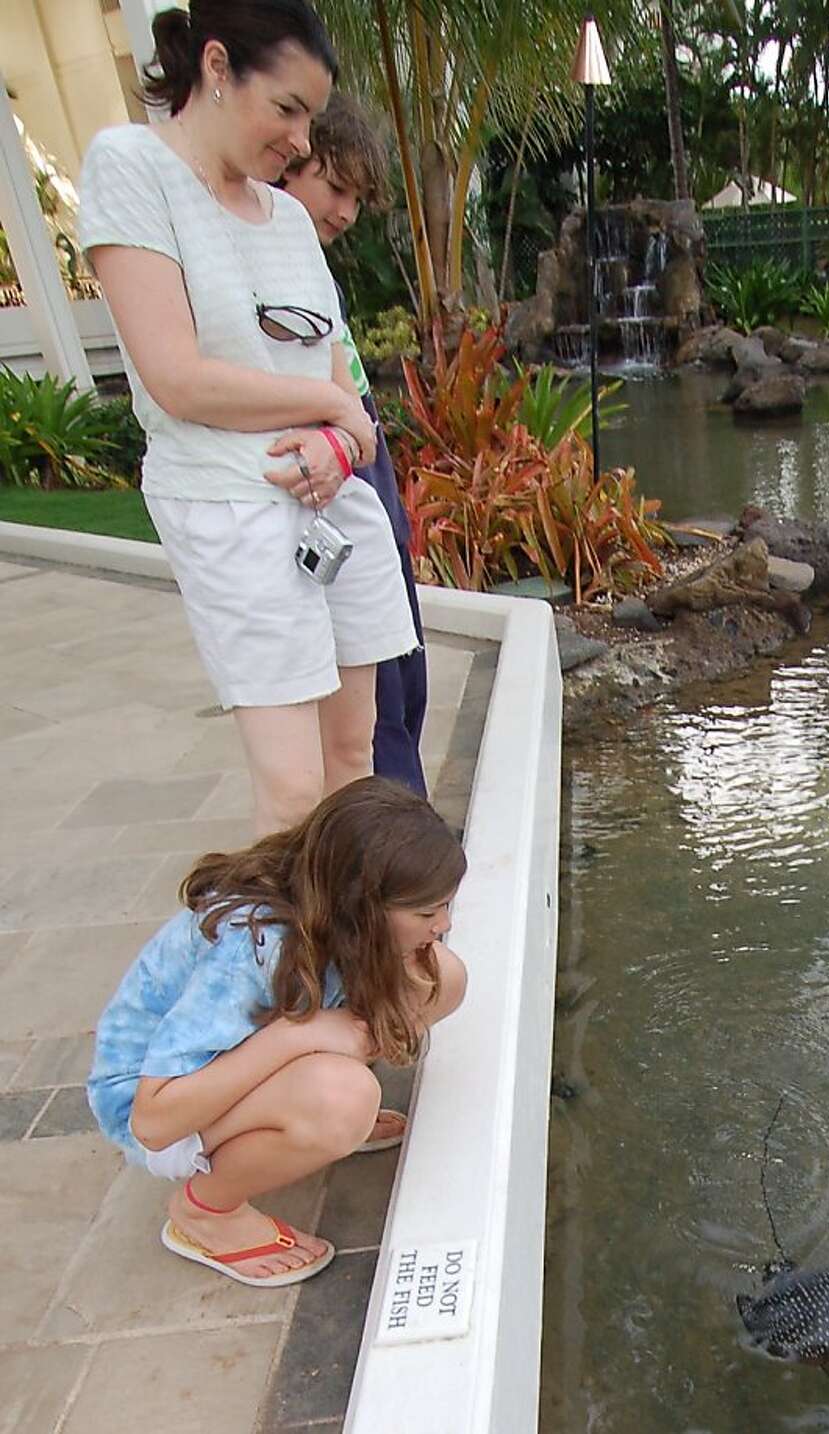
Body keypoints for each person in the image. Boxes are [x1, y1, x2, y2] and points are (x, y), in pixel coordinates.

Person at [78, 1, 419, 835]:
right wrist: (336, 409)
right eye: (288, 110)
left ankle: (358, 959)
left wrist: (342, 440)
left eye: (310, 116)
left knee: (354, 765)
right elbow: (177, 377)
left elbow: (347, 402)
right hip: (230, 508)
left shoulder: (291, 219)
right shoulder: (131, 166)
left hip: (331, 508)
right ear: (219, 69)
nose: (302, 141)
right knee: (294, 790)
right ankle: (293, 965)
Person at [87, 777, 467, 1287]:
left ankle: (303, 1113)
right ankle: (205, 1213)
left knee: (441, 978)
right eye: (426, 912)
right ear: (360, 905)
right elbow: (151, 1121)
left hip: (237, 1067)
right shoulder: (255, 945)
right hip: (153, 1104)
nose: (442, 923)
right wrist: (298, 1037)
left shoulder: (323, 905)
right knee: (344, 1098)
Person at [278, 95, 428, 794]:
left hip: (369, 492)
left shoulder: (311, 268)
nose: (344, 212)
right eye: (334, 188)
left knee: (405, 675)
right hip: (333, 496)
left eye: (357, 198)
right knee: (374, 715)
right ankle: (395, 854)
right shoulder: (273, 262)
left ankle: (403, 841)